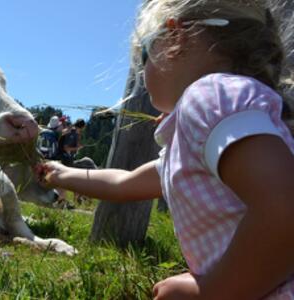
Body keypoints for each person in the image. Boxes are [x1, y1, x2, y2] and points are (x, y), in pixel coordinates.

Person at [35, 1, 294, 299]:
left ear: (175, 38)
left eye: (143, 57)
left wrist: (210, 291)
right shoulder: (219, 124)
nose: (143, 75)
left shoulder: (209, 96)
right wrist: (63, 173)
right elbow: (125, 183)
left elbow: (284, 208)